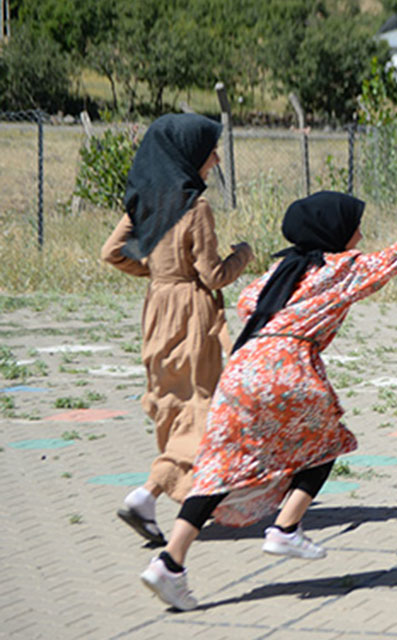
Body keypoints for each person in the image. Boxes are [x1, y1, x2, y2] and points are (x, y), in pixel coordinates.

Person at [138, 172, 397, 611]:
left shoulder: (283, 269)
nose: (360, 234)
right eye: (354, 226)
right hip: (287, 366)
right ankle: (285, 528)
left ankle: (170, 562)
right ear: (334, 232)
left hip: (242, 369)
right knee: (327, 443)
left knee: (220, 467)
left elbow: (246, 303)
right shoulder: (342, 268)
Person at [101, 113, 253, 545]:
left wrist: (155, 273)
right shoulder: (195, 206)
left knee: (172, 402)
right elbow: (213, 275)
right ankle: (148, 494)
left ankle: (165, 497)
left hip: (157, 309)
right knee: (200, 405)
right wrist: (243, 254)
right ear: (188, 154)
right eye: (209, 151)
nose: (216, 158)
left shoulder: (145, 201)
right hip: (192, 314)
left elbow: (111, 252)